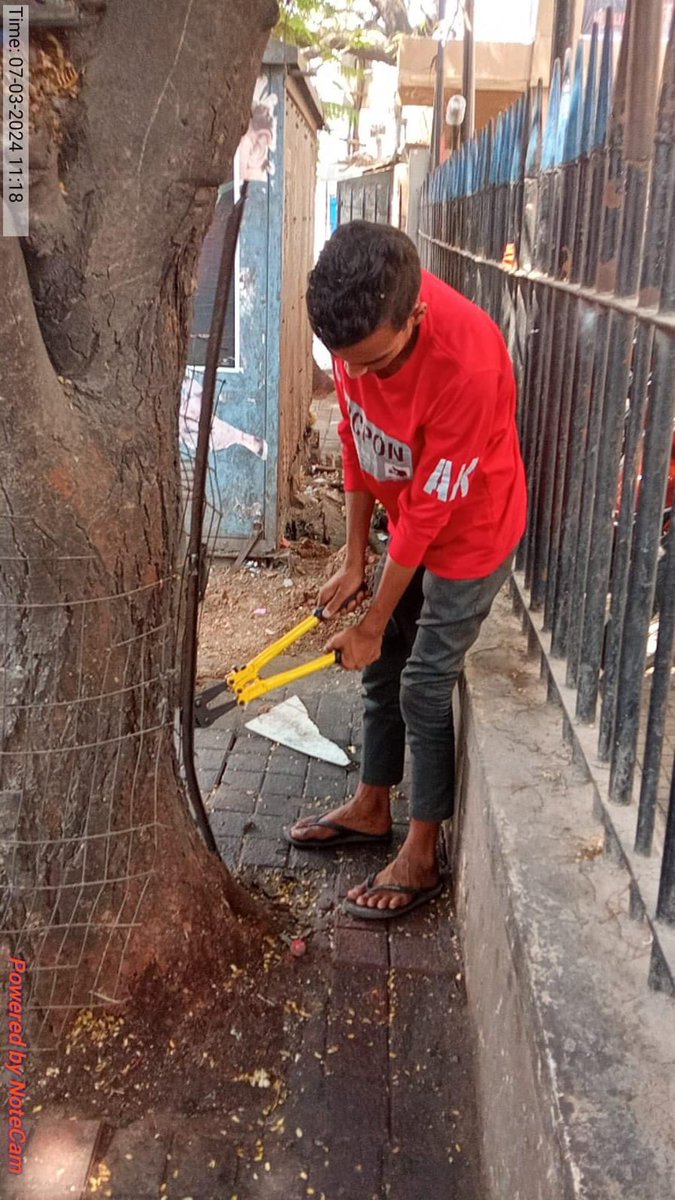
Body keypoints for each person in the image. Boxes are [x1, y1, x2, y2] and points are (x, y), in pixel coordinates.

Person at [288, 221, 527, 919]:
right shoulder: (354, 332)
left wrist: (369, 619)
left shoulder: (468, 362)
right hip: (408, 525)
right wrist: (355, 556)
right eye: (344, 362)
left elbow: (429, 514)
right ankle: (371, 805)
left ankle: (422, 853)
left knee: (423, 684)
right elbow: (356, 437)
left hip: (470, 532)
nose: (357, 377)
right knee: (382, 660)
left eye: (377, 364)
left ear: (415, 317)